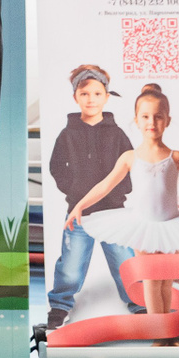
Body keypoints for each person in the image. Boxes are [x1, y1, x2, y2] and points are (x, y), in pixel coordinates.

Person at [67, 83, 179, 346]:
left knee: (166, 281)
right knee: (151, 280)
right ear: (136, 120)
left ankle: (169, 336)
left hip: (171, 227)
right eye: (145, 116)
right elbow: (105, 185)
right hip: (143, 227)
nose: (151, 122)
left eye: (158, 116)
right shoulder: (130, 157)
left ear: (167, 120)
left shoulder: (176, 157)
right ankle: (160, 336)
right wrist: (79, 206)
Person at [45, 65, 140, 330]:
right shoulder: (67, 134)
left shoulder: (117, 133)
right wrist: (74, 190)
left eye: (97, 94)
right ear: (75, 97)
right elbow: (56, 166)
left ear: (106, 97)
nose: (91, 99)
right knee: (71, 264)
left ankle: (138, 301)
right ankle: (60, 305)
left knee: (125, 260)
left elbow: (130, 165)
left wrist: (120, 193)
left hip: (113, 212)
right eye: (84, 94)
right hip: (79, 213)